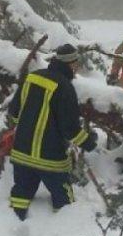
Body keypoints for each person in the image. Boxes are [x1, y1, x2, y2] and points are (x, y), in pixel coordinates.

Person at [7, 44, 98, 221]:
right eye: (76, 64)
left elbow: (14, 112)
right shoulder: (65, 88)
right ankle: (60, 233)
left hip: (22, 155)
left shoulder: (32, 77)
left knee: (21, 194)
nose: (77, 67)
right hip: (50, 160)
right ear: (71, 64)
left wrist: (27, 128)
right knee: (65, 201)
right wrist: (90, 142)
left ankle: (14, 226)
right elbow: (70, 129)